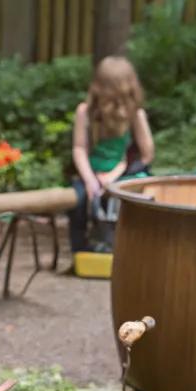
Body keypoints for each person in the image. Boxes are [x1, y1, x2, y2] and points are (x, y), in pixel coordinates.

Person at [69, 55, 155, 255]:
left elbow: (146, 155)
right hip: (91, 172)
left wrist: (113, 178)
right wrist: (91, 179)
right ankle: (80, 251)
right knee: (78, 200)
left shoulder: (136, 114)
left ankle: (134, 249)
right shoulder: (85, 112)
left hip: (124, 171)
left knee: (139, 197)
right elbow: (79, 148)